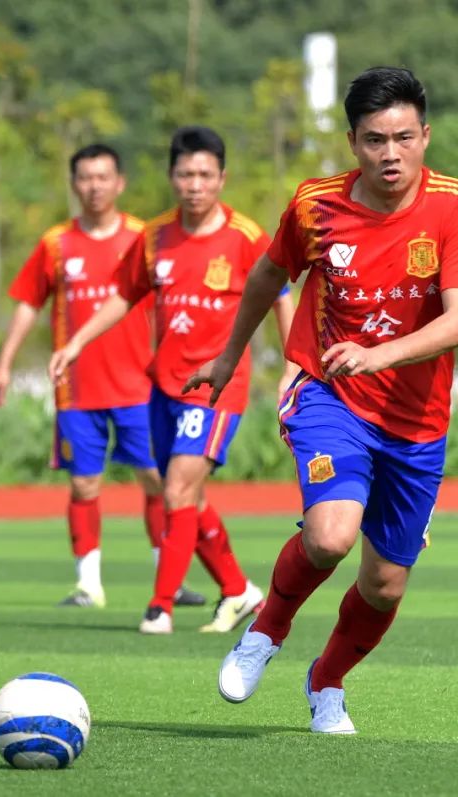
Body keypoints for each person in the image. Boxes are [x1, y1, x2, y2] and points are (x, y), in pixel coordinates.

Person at [192, 67, 458, 734]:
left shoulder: (451, 207)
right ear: (352, 142)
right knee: (331, 534)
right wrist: (228, 357)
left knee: (385, 584)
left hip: (418, 424)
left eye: (403, 138)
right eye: (375, 140)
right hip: (329, 396)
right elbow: (267, 275)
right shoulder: (316, 206)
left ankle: (326, 680)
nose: (390, 154)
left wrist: (382, 353)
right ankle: (266, 630)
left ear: (425, 136)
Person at [50, 126, 294, 635]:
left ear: (222, 178)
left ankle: (159, 606)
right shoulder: (155, 236)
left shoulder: (247, 237)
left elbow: (280, 297)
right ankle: (238, 591)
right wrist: (76, 343)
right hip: (164, 388)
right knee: (187, 498)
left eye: (205, 174)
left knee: (178, 487)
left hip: (218, 386)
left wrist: (293, 368)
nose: (195, 185)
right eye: (186, 174)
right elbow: (123, 294)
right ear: (171, 177)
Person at [0, 143, 205, 610]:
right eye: (85, 178)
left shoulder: (145, 237)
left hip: (140, 386)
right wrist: (4, 363)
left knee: (157, 479)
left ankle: (168, 579)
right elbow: (28, 303)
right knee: (84, 484)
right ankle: (88, 584)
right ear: (74, 184)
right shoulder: (56, 243)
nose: (94, 186)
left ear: (119, 183)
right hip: (77, 389)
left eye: (103, 177)